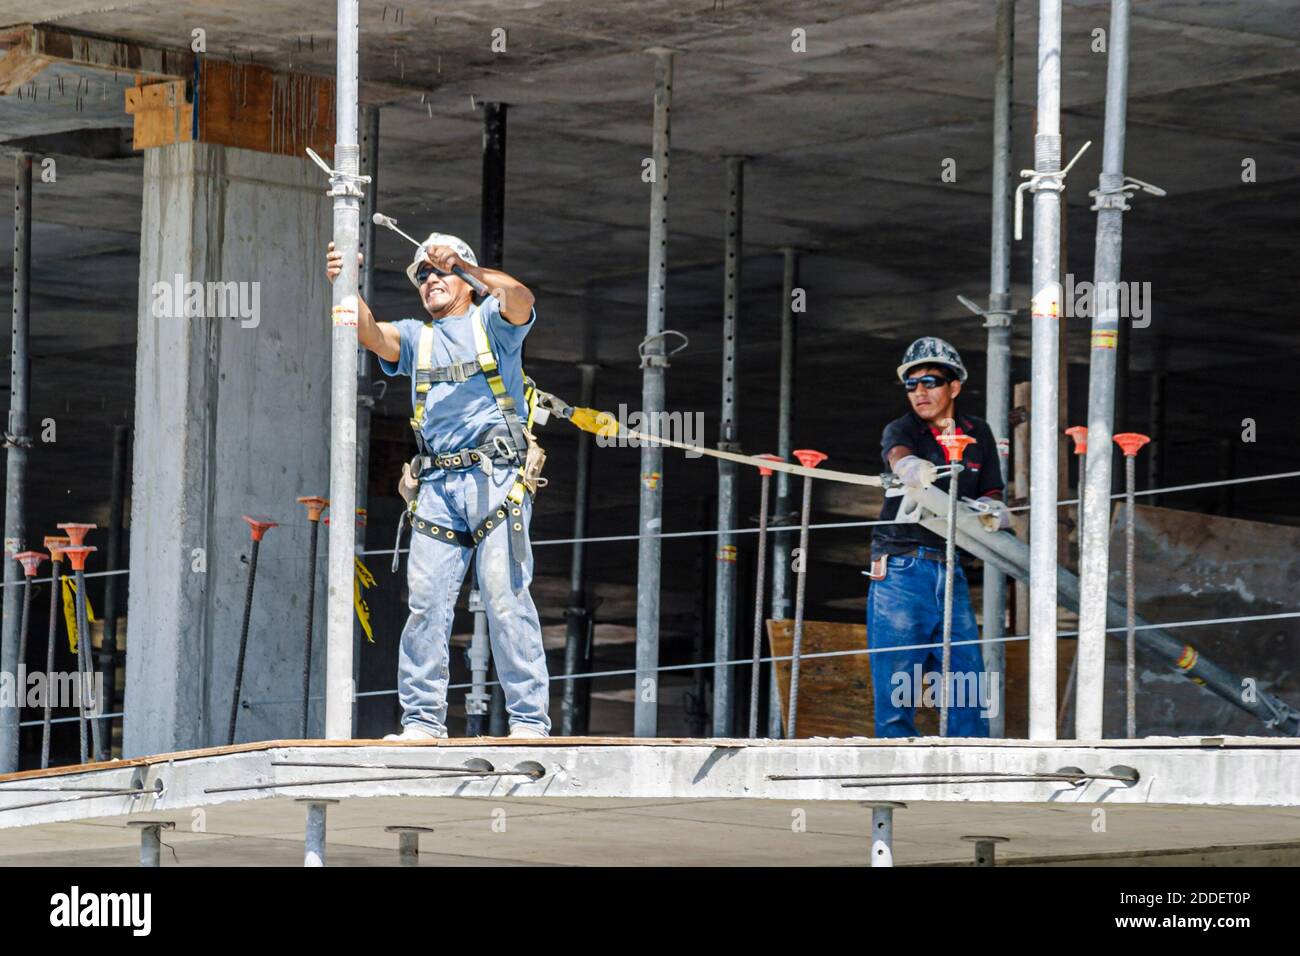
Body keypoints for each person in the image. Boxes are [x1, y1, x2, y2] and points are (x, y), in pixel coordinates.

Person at [326, 232, 550, 739]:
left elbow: (521, 299)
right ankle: (423, 721)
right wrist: (347, 282)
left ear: (466, 280)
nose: (428, 281)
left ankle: (530, 723)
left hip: (495, 479)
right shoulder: (418, 337)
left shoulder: (490, 322)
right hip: (436, 484)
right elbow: (369, 334)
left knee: (505, 595)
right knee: (425, 602)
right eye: (421, 276)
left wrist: (469, 269)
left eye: (437, 272)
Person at [866, 337, 1010, 737]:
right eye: (911, 385)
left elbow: (992, 489)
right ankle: (892, 780)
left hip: (951, 566)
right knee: (898, 678)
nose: (920, 392)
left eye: (929, 381)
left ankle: (971, 770)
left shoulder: (978, 432)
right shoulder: (903, 428)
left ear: (955, 386)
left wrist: (992, 509)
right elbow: (896, 452)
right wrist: (908, 464)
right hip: (900, 566)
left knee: (965, 678)